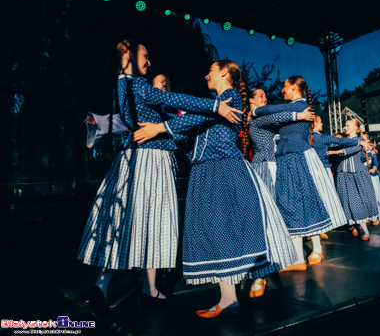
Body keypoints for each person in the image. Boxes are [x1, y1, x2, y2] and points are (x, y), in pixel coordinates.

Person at [77, 41, 242, 318]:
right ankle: (136, 287)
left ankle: (136, 287)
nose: (150, 62)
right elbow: (177, 101)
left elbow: (127, 120)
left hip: (130, 160)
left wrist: (102, 122)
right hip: (150, 161)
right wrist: (216, 106)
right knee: (150, 222)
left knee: (131, 222)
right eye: (146, 56)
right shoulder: (141, 86)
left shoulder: (121, 87)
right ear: (129, 56)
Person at [134, 60, 297, 318]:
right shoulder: (217, 104)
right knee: (216, 231)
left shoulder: (229, 97)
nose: (206, 74)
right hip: (208, 170)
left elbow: (199, 116)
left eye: (210, 70)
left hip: (222, 170)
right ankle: (229, 297)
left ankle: (234, 294)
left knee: (224, 229)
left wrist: (160, 128)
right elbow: (193, 129)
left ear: (223, 72)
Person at [251, 76, 348, 269]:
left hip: (296, 157)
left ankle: (314, 248)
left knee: (304, 202)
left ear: (294, 87)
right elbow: (274, 117)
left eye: (285, 87)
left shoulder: (298, 106)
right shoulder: (295, 110)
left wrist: (255, 110)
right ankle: (298, 258)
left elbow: (272, 110)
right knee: (292, 205)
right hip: (285, 159)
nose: (281, 91)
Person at [244, 88, 314, 297]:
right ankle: (260, 273)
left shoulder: (262, 118)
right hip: (265, 168)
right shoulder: (257, 118)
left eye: (266, 96)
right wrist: (299, 115)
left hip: (272, 165)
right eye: (261, 96)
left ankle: (289, 258)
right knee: (267, 217)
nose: (265, 99)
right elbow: (279, 116)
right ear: (251, 101)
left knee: (280, 213)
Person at [83, 73, 174, 148]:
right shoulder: (146, 108)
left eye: (169, 83)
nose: (166, 85)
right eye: (162, 82)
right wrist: (98, 120)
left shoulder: (176, 108)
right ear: (152, 87)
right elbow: (125, 119)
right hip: (150, 150)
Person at [327, 119, 379, 240]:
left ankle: (365, 231)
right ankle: (353, 226)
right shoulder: (344, 141)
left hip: (356, 174)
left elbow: (352, 150)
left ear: (356, 128)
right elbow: (333, 143)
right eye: (345, 126)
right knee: (346, 201)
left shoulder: (360, 140)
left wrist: (335, 151)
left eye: (348, 126)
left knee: (358, 202)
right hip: (343, 174)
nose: (345, 128)